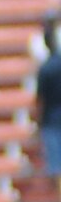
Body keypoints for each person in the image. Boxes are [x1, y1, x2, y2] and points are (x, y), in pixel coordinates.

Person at [35, 32, 61, 179]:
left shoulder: (45, 69)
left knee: (57, 165)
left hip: (51, 121)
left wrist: (38, 121)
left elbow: (41, 99)